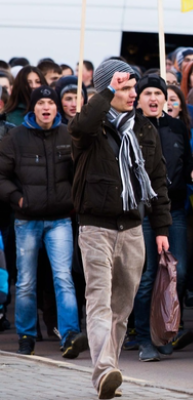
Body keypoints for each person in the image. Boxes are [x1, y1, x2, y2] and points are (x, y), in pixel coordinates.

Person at [69, 60, 170, 399]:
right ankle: (104, 371)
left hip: (132, 228)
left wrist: (161, 228)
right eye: (124, 88)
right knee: (98, 300)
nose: (132, 94)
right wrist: (107, 89)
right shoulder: (89, 128)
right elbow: (81, 126)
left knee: (121, 308)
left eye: (132, 88)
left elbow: (158, 180)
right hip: (95, 227)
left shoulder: (144, 129)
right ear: (105, 90)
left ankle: (108, 367)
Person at [0, 86, 86, 358]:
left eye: (50, 102)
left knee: (63, 278)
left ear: (56, 107)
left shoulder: (68, 135)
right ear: (33, 108)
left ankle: (70, 335)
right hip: (27, 219)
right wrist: (18, 199)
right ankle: (26, 336)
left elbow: (80, 173)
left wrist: (73, 200)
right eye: (41, 103)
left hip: (60, 219)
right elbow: (1, 175)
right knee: (26, 281)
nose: (46, 107)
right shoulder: (15, 138)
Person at [131, 76, 193, 361]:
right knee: (148, 276)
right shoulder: (130, 127)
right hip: (144, 212)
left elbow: (187, 160)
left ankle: (164, 330)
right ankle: (144, 338)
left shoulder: (177, 126)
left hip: (175, 210)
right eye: (148, 93)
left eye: (159, 93)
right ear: (138, 99)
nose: (154, 98)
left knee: (177, 273)